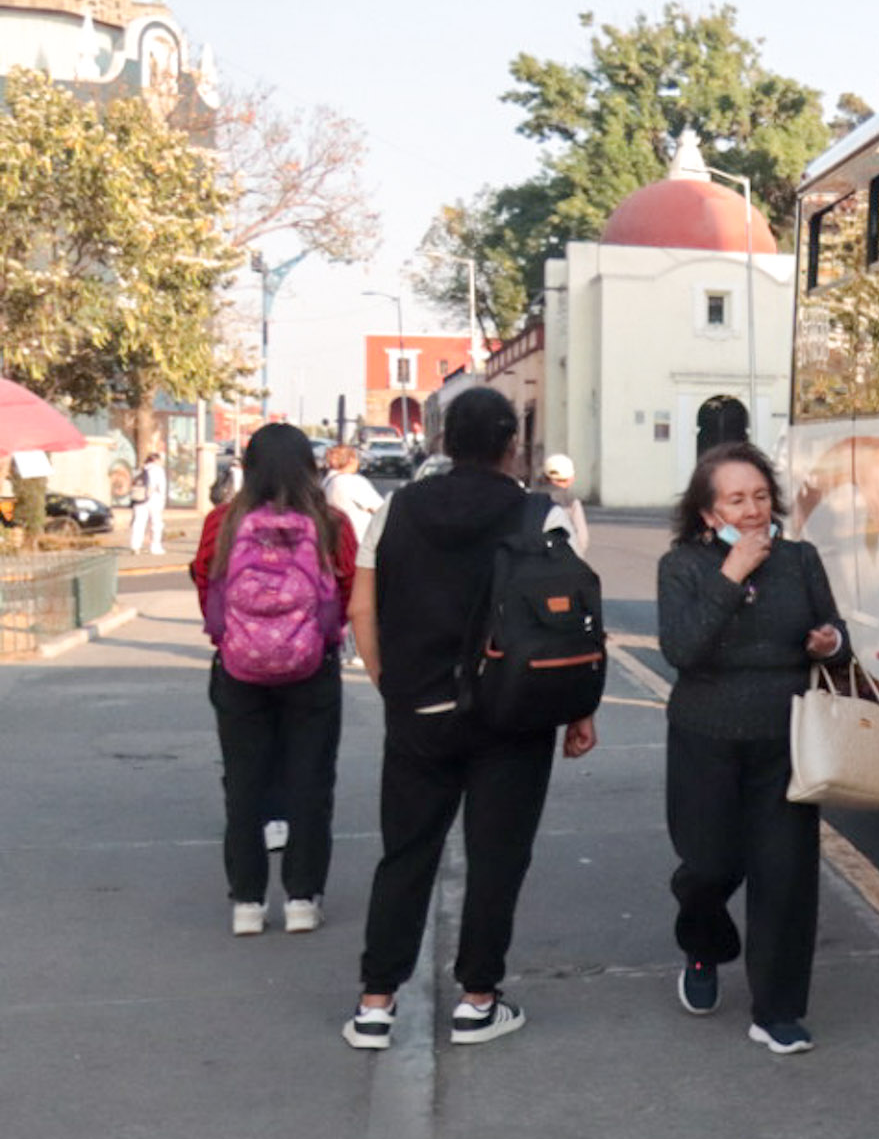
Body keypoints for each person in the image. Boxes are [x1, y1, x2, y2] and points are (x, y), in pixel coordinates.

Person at [341, 385, 596, 1051]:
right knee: (497, 857)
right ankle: (478, 1000)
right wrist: (578, 711)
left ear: (444, 442)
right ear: (514, 445)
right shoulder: (542, 515)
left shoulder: (395, 509)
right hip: (513, 714)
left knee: (407, 853)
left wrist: (388, 683)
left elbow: (363, 611)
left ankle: (375, 1002)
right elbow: (568, 626)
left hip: (418, 712)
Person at [655, 443, 848, 1053]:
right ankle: (702, 944)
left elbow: (835, 636)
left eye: (761, 496)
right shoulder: (683, 566)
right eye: (736, 499)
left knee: (785, 876)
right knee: (709, 866)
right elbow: (683, 650)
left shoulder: (799, 559)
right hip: (705, 736)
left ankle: (777, 1010)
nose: (752, 508)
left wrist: (827, 643)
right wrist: (731, 573)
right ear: (709, 513)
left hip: (786, 737)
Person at [189, 423, 353, 936]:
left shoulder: (222, 522)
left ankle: (247, 904)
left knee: (244, 787)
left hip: (239, 671)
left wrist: (241, 636)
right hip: (313, 669)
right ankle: (302, 899)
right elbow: (347, 589)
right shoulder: (330, 523)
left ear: (248, 467)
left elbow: (204, 584)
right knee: (311, 783)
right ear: (310, 466)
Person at [320, 444, 385, 667]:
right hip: (359, 545)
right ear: (349, 461)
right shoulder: (353, 483)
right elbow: (379, 507)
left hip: (332, 545)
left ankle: (341, 646)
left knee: (338, 596)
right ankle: (359, 650)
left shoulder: (326, 482)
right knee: (363, 599)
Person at [536, 451, 587, 555]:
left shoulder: (532, 497)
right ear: (570, 479)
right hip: (565, 557)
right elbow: (582, 538)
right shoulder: (571, 501)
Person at [127, 447, 169, 555]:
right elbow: (162, 488)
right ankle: (155, 547)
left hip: (139, 498)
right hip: (154, 499)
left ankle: (135, 546)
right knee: (156, 523)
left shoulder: (140, 470)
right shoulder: (158, 470)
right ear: (156, 460)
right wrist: (163, 501)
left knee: (139, 522)